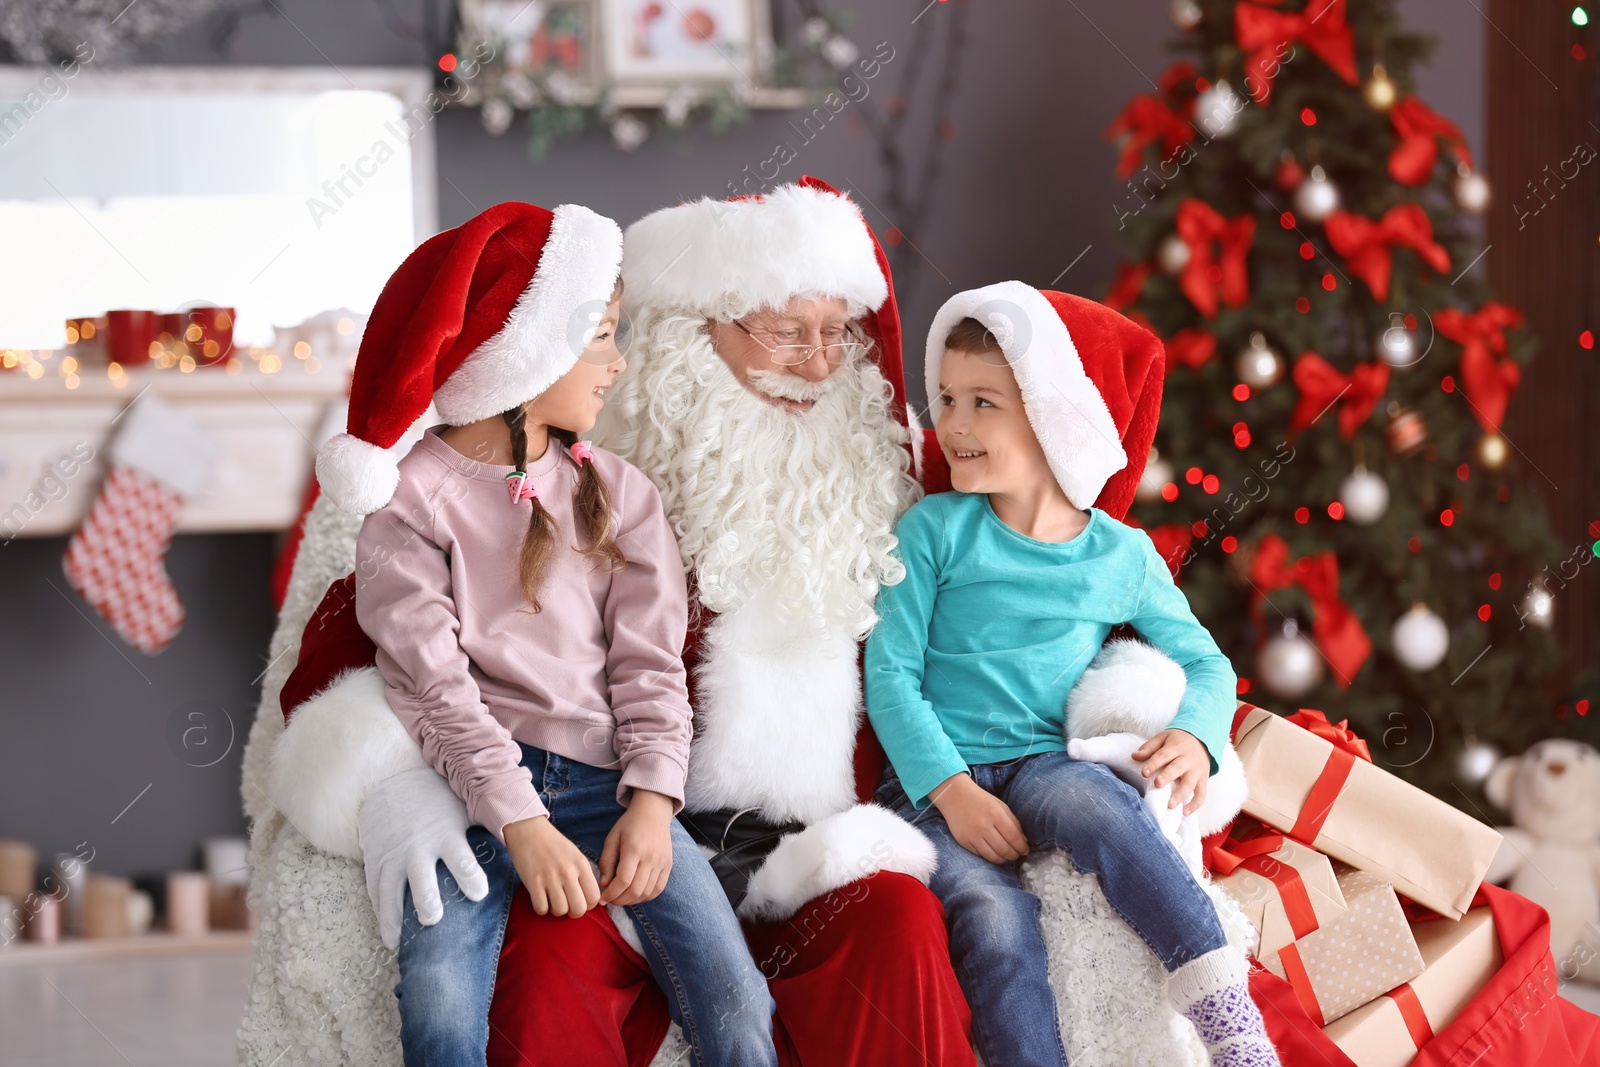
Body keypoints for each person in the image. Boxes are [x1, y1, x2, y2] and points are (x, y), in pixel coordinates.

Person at [268, 178, 977, 1067]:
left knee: (897, 923)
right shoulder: (588, 463)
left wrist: (1161, 717)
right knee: (545, 964)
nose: (820, 364)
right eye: (786, 331)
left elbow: (1036, 589)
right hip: (594, 827)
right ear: (688, 334)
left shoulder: (891, 475)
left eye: (838, 333)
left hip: (807, 847)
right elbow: (370, 646)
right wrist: (399, 785)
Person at [274, 201, 777, 1067]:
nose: (616, 363)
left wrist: (654, 803)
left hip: (608, 784)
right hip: (468, 790)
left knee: (736, 997)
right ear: (520, 348)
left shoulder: (619, 491)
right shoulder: (411, 501)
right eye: (599, 337)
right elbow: (431, 686)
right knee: (437, 1001)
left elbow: (651, 668)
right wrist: (518, 823)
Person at [864, 281, 1281, 1067]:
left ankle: (1229, 1017)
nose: (951, 424)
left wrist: (1196, 733)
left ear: (1050, 415)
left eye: (983, 402)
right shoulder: (933, 532)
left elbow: (1205, 661)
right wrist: (951, 792)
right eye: (946, 398)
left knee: (1113, 816)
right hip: (933, 780)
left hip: (1045, 763)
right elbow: (889, 674)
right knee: (992, 916)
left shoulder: (1120, 555)